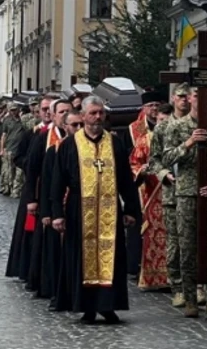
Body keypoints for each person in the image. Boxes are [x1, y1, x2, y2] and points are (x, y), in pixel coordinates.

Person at [50, 96, 140, 324]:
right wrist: (56, 214)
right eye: (93, 113)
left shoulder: (115, 142)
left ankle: (108, 305)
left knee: (111, 258)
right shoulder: (70, 144)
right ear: (83, 115)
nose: (97, 117)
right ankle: (86, 306)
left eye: (100, 113)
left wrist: (130, 208)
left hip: (110, 210)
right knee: (82, 258)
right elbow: (57, 181)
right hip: (79, 210)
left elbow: (126, 179)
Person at [162, 87, 207, 320]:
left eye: (206, 95)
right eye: (197, 95)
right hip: (186, 193)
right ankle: (189, 298)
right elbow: (166, 157)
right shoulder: (176, 126)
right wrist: (188, 143)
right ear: (189, 98)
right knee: (187, 247)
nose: (202, 99)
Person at [24, 99, 73, 293]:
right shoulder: (43, 138)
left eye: (68, 111)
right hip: (48, 196)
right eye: (61, 112)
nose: (65, 115)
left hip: (72, 197)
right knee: (48, 244)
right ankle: (48, 284)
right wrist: (32, 200)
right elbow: (32, 169)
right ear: (53, 115)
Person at [148, 83, 191, 307]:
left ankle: (199, 287)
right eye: (181, 96)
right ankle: (177, 286)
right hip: (173, 194)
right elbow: (153, 159)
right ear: (174, 98)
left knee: (199, 243)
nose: (185, 101)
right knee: (175, 243)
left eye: (189, 96)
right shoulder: (163, 128)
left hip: (196, 193)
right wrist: (164, 173)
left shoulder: (200, 125)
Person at [42, 109, 82, 309]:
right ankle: (59, 294)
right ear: (65, 126)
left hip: (80, 208)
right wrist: (49, 212)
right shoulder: (56, 149)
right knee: (61, 254)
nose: (79, 129)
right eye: (74, 125)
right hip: (62, 207)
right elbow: (49, 182)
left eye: (80, 124)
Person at [122, 90, 164, 278]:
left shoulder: (169, 125)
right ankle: (134, 264)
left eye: (157, 105)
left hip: (164, 184)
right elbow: (128, 157)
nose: (154, 109)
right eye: (150, 105)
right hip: (142, 184)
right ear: (144, 108)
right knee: (138, 225)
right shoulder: (134, 129)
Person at [132, 99, 173, 292]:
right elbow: (134, 162)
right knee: (153, 234)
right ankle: (154, 277)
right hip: (151, 191)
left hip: (174, 190)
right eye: (161, 120)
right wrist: (142, 170)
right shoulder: (144, 138)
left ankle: (176, 278)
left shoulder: (180, 136)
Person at [0, 103, 26, 197]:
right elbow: (3, 135)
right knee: (9, 171)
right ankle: (8, 188)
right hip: (10, 148)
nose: (14, 112)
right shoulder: (7, 121)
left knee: (19, 172)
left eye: (15, 110)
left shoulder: (23, 120)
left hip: (20, 149)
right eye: (12, 110)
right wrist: (1, 149)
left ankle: (16, 190)